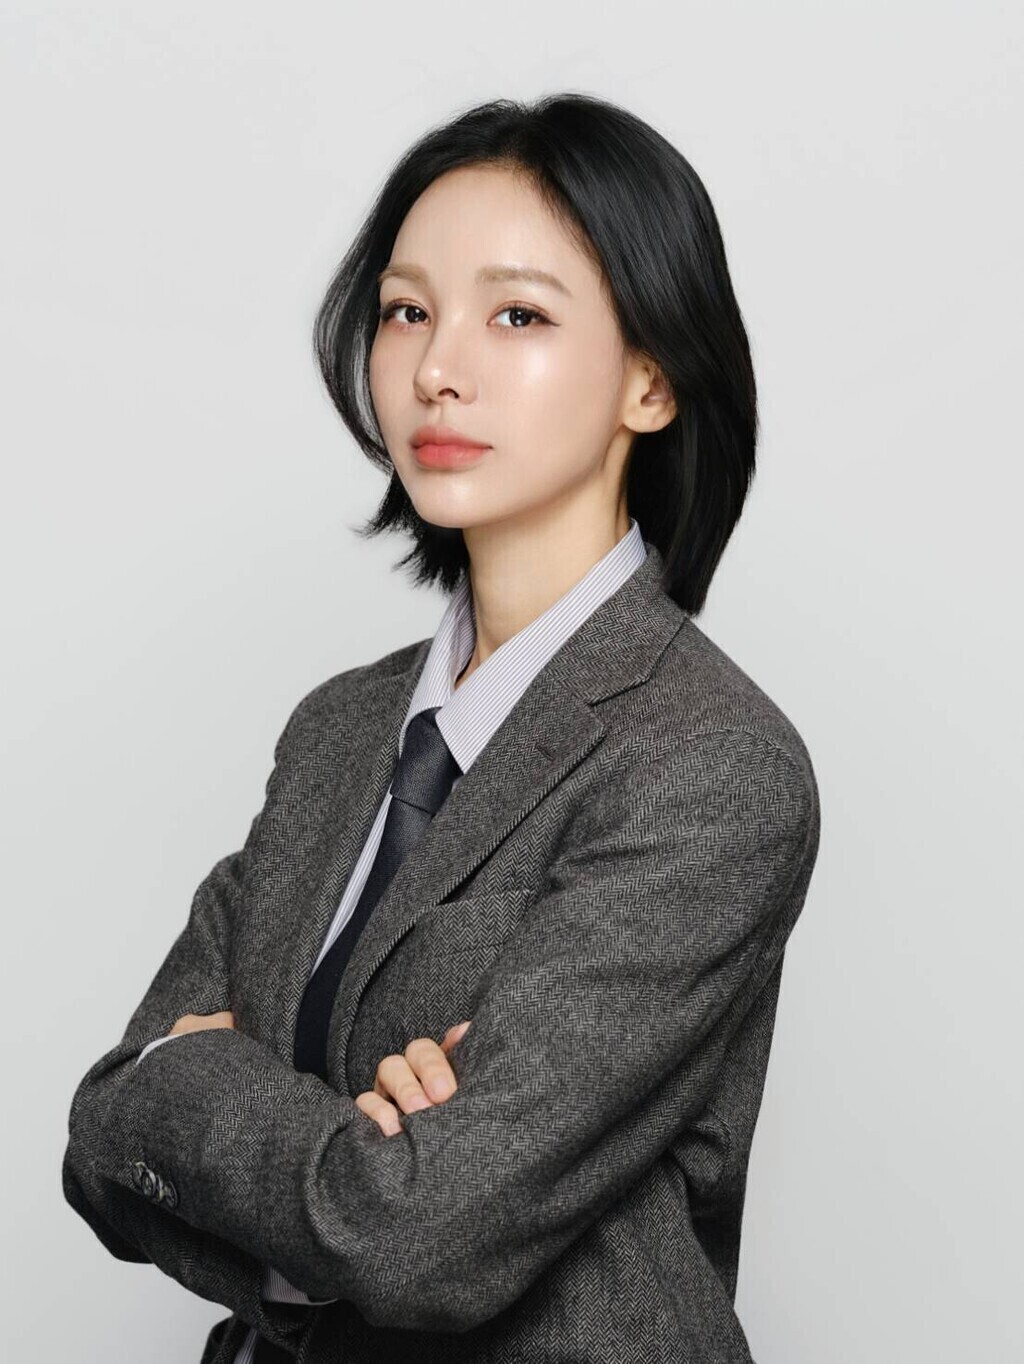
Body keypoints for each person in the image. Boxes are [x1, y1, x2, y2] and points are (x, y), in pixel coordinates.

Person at [62, 92, 821, 1363]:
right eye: (407, 310)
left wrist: (193, 1091)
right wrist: (339, 1168)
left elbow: (421, 1237)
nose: (434, 369)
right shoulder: (340, 728)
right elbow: (100, 1139)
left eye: (517, 315)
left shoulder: (709, 763)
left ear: (649, 379)